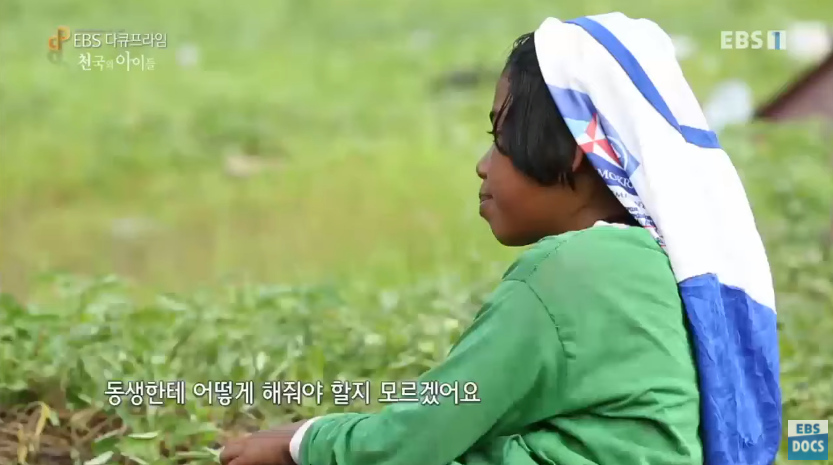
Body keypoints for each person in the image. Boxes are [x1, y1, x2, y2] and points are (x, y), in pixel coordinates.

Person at [221, 12, 781, 465]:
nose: (483, 166)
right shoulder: (656, 266)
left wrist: (300, 443)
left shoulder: (572, 270)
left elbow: (418, 436)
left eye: (501, 135)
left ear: (574, 152)